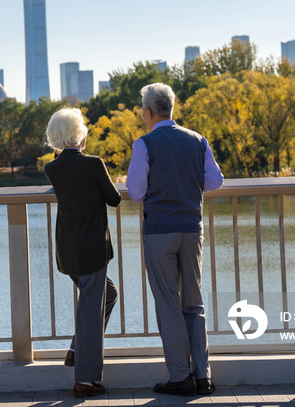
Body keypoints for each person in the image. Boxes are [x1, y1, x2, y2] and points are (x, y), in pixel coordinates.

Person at [126, 83, 224, 396]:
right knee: (194, 303)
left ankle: (180, 376)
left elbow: (136, 192)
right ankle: (203, 376)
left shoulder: (145, 144)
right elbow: (215, 180)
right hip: (192, 229)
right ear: (172, 109)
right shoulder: (198, 140)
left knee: (168, 303)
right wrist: (187, 187)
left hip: (159, 232)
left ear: (148, 112)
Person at [43, 108, 121, 398]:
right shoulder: (93, 164)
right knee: (92, 308)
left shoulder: (52, 169)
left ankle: (77, 349)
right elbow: (114, 199)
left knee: (107, 296)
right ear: (81, 136)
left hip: (67, 250)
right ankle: (85, 380)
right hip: (92, 248)